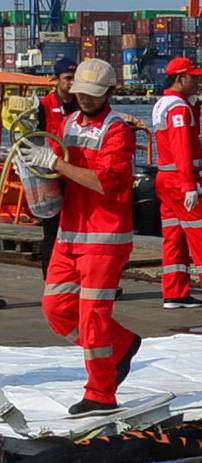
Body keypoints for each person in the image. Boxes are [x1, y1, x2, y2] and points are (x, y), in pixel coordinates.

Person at [34, 58, 139, 415]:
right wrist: (36, 168)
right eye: (81, 93)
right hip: (70, 233)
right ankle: (121, 344)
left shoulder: (117, 130)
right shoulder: (67, 123)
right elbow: (60, 173)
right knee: (57, 308)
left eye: (93, 95)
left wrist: (55, 164)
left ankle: (101, 394)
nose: (86, 100)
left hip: (104, 237)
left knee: (93, 318)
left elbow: (103, 182)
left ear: (110, 92)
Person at [151, 55, 202, 309]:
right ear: (180, 78)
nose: (199, 81)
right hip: (181, 179)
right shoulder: (177, 108)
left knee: (174, 236)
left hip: (165, 179)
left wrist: (194, 107)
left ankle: (174, 293)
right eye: (194, 77)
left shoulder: (163, 104)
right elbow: (182, 148)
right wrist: (189, 185)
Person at [32, 57, 75, 276]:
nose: (72, 83)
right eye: (67, 78)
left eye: (75, 78)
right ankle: (50, 276)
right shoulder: (43, 106)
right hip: (51, 174)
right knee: (52, 228)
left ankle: (84, 279)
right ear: (56, 80)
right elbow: (32, 139)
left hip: (76, 175)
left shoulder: (82, 103)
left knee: (80, 229)